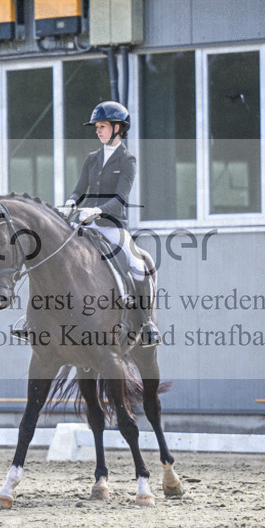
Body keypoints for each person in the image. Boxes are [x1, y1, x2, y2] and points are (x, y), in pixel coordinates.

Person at [59, 100, 161, 347]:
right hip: (85, 224)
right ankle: (34, 320)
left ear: (118, 128)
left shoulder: (128, 161)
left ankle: (147, 324)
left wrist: (96, 210)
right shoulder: (91, 159)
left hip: (112, 227)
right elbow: (79, 190)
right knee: (57, 251)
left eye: (102, 126)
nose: (97, 130)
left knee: (138, 264)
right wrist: (70, 204)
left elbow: (120, 199)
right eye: (97, 127)